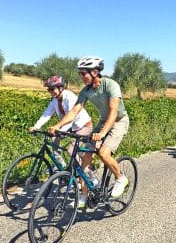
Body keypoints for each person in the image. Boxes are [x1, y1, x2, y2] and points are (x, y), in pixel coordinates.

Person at [48, 56, 129, 209]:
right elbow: (74, 111)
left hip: (118, 121)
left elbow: (113, 111)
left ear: (95, 72)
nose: (81, 77)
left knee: (104, 153)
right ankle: (84, 196)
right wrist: (58, 126)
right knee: (86, 157)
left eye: (83, 73)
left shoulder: (111, 85)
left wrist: (103, 133)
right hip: (104, 121)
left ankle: (121, 178)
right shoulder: (86, 91)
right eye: (80, 74)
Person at [28, 75, 92, 167]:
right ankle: (60, 164)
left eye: (52, 89)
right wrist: (36, 126)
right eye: (48, 89)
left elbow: (71, 117)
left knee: (71, 150)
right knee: (54, 141)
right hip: (70, 127)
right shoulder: (54, 100)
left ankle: (85, 173)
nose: (50, 92)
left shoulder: (69, 96)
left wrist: (59, 130)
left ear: (61, 88)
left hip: (83, 126)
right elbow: (46, 114)